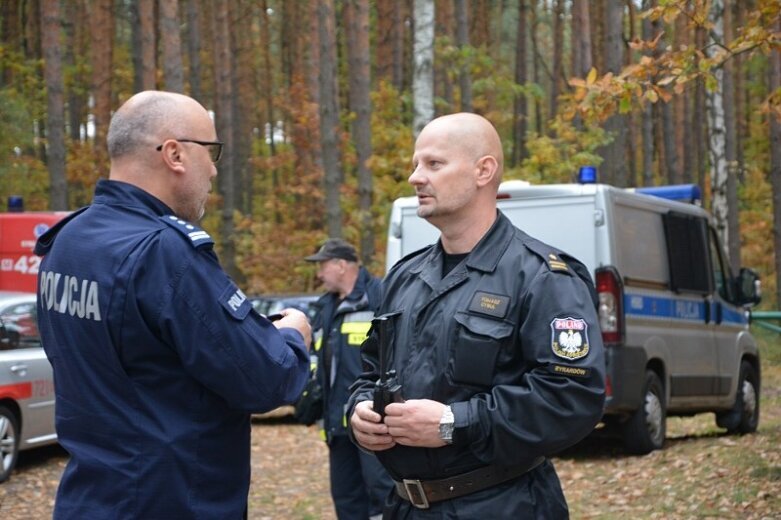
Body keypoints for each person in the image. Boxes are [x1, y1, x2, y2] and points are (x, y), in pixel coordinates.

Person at [35, 90, 312, 519]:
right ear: (175, 154)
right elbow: (268, 381)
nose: (215, 171)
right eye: (211, 151)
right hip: (167, 499)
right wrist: (294, 333)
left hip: (90, 498)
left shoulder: (68, 240)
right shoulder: (164, 253)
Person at [347, 113, 606, 518]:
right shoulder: (405, 277)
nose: (416, 177)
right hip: (407, 507)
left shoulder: (542, 276)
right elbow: (368, 372)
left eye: (433, 164)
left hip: (502, 505)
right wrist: (360, 413)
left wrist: (454, 422)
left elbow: (570, 399)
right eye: (416, 165)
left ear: (484, 170)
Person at [305, 238, 394, 519]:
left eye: (323, 266)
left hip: (372, 422)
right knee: (346, 498)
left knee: (382, 496)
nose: (319, 275)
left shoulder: (379, 295)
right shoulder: (324, 308)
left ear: (341, 265)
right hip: (337, 425)